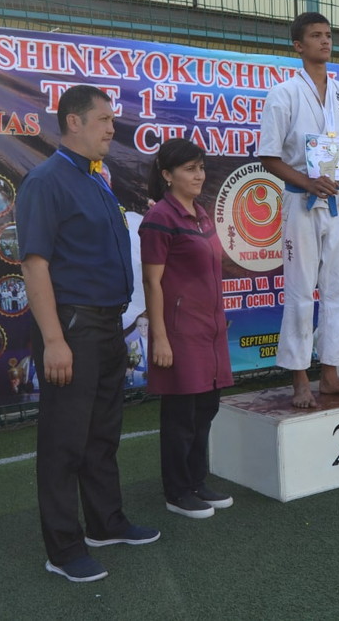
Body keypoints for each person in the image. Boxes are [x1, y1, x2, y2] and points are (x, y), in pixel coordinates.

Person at [16, 84, 159, 584]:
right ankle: (63, 548)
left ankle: (106, 523)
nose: (112, 129)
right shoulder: (46, 181)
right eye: (104, 120)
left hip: (108, 324)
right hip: (72, 327)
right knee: (65, 441)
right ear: (73, 122)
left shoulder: (95, 178)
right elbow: (35, 265)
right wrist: (54, 340)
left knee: (102, 433)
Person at [258, 12, 339, 408]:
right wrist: (307, 182)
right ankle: (299, 378)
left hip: (338, 202)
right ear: (298, 45)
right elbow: (269, 155)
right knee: (301, 289)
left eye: (328, 35)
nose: (325, 41)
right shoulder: (284, 93)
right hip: (301, 201)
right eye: (316, 36)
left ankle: (332, 373)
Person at [140, 138, 234, 520]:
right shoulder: (160, 218)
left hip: (209, 332)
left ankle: (197, 482)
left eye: (201, 168)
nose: (199, 176)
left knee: (206, 408)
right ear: (167, 175)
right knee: (181, 414)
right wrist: (160, 337)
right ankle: (177, 492)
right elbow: (152, 283)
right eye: (190, 169)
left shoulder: (201, 214)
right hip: (179, 333)